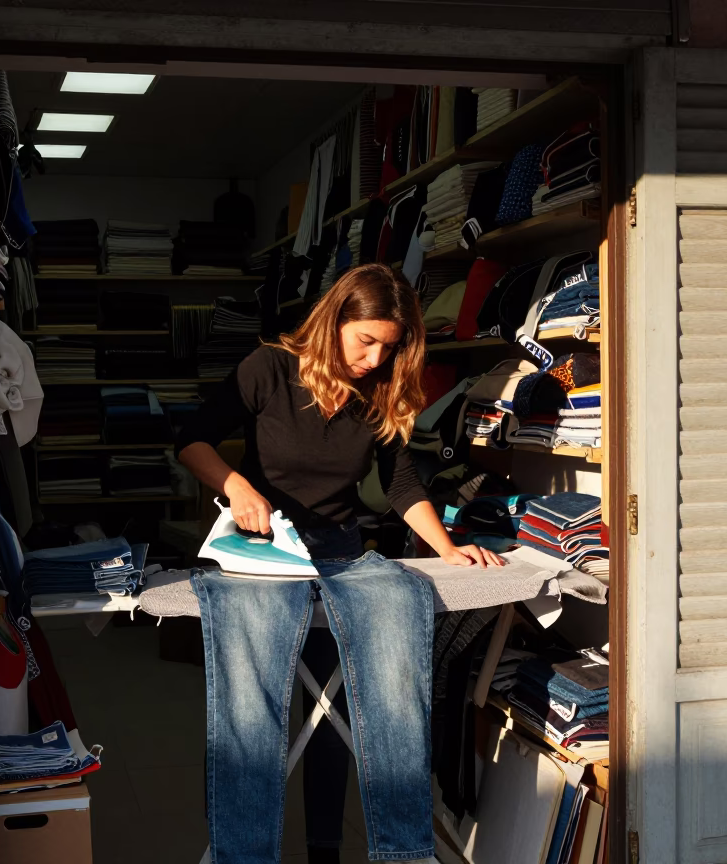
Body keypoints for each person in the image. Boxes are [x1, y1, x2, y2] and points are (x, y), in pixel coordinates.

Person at [176, 263, 503, 864]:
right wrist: (237, 486)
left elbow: (400, 482)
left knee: (351, 702)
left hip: (342, 552)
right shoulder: (268, 368)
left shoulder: (378, 390)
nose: (376, 360)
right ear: (335, 322)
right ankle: (242, 853)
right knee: (248, 707)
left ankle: (382, 851)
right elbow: (192, 438)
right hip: (266, 553)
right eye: (366, 341)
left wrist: (446, 547)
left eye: (389, 348)